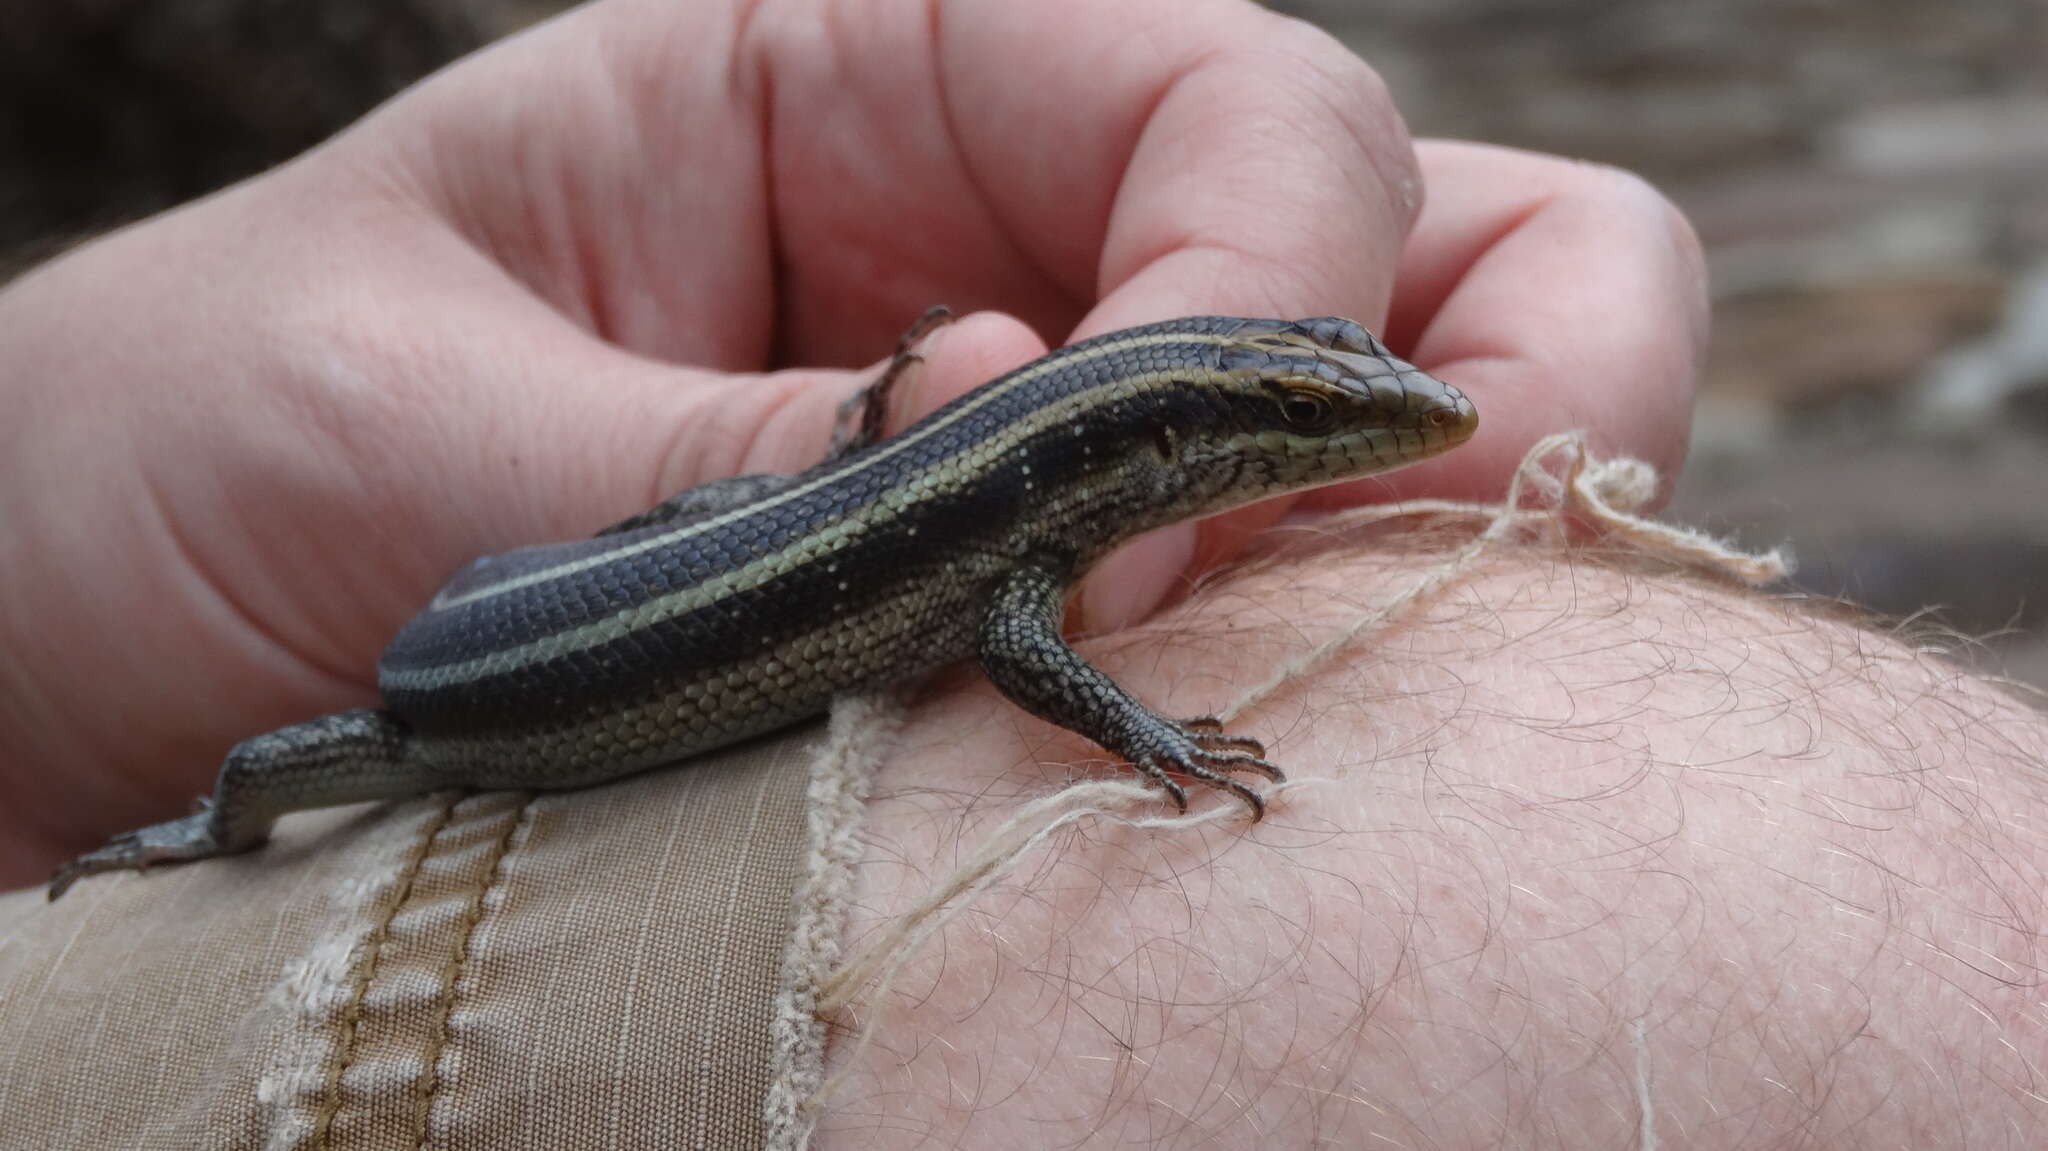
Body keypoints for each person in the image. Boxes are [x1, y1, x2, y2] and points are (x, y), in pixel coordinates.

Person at [1, 0, 2037, 1146]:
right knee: (299, 759)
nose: (1330, 438)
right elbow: (1022, 650)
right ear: (1155, 446)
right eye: (1287, 419)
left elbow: (1014, 619)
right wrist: (1152, 742)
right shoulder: (1005, 531)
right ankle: (199, 828)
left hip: (570, 609)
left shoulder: (1032, 506)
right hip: (479, 705)